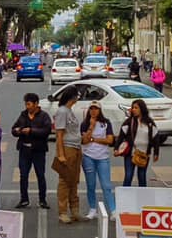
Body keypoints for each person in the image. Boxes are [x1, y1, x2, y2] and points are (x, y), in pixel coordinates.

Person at [11, 93, 53, 209]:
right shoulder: (23, 115)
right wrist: (18, 131)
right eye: (26, 104)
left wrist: (31, 131)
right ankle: (24, 199)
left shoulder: (44, 116)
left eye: (29, 104)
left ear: (36, 104)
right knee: (23, 175)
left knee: (40, 175)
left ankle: (42, 199)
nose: (27, 106)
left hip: (38, 150)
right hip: (24, 150)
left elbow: (47, 130)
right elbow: (13, 129)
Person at [79, 102, 117, 221]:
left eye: (96, 109)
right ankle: (92, 209)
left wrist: (94, 139)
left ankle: (113, 210)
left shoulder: (106, 123)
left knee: (106, 185)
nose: (93, 111)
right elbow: (84, 141)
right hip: (88, 156)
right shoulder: (84, 124)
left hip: (102, 158)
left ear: (100, 110)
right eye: (91, 109)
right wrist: (91, 126)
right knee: (91, 185)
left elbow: (110, 140)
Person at [50, 88, 83, 223]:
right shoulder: (62, 111)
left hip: (76, 147)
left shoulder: (70, 111)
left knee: (74, 180)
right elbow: (59, 134)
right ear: (72, 97)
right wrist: (61, 154)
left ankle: (75, 210)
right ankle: (63, 211)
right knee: (65, 181)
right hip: (67, 147)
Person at [117, 100, 156, 188]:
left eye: (136, 108)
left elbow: (155, 137)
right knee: (128, 175)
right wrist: (116, 148)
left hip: (143, 154)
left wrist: (156, 152)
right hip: (131, 154)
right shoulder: (129, 122)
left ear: (142, 109)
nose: (133, 110)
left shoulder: (149, 122)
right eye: (133, 108)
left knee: (142, 176)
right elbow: (121, 136)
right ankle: (125, 195)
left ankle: (142, 197)